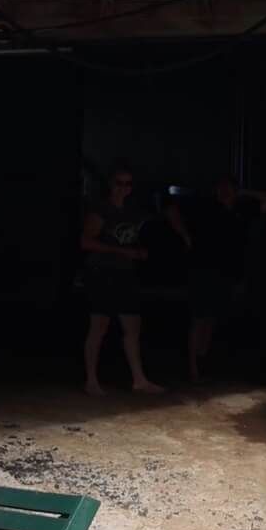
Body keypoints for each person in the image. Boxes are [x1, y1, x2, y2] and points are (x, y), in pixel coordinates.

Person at [80, 166, 164, 395]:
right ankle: (91, 380)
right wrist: (119, 252)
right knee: (99, 325)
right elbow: (86, 241)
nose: (123, 188)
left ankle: (139, 379)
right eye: (119, 182)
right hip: (102, 271)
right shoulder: (101, 209)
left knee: (132, 325)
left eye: (128, 184)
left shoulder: (132, 211)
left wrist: (138, 252)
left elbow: (134, 238)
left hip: (125, 274)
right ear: (111, 183)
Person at [182, 176, 266, 383]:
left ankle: (202, 363)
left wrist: (244, 193)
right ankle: (193, 369)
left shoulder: (242, 213)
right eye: (221, 189)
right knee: (198, 319)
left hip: (226, 275)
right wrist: (185, 238)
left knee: (211, 320)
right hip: (202, 271)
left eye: (229, 189)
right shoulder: (206, 211)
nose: (225, 193)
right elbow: (172, 211)